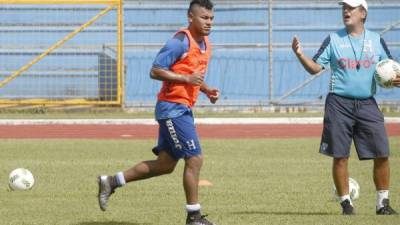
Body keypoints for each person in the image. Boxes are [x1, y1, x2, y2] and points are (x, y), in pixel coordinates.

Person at [97, 1, 219, 224]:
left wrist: (206, 89)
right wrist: (186, 80)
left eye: (211, 18)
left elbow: (190, 74)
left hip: (182, 108)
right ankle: (194, 217)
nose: (208, 22)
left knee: (165, 165)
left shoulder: (206, 44)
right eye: (204, 18)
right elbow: (155, 70)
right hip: (172, 108)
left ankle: (111, 181)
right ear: (191, 17)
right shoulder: (179, 42)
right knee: (195, 158)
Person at [292, 0, 399, 215]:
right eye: (344, 8)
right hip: (338, 104)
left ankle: (382, 204)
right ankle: (346, 204)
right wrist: (300, 54)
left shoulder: (376, 40)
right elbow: (315, 68)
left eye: (351, 8)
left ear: (363, 14)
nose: (346, 11)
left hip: (368, 103)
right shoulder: (333, 39)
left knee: (382, 153)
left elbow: (389, 70)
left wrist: (396, 79)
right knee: (340, 155)